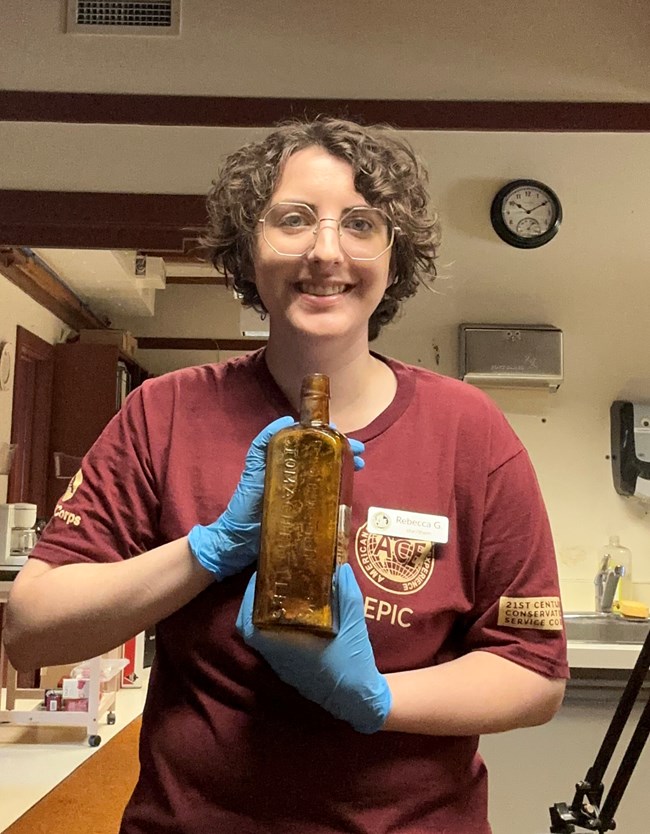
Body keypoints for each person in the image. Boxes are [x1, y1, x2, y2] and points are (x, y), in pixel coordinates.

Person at [5, 117, 568, 834]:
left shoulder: (471, 433)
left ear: (396, 257)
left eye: (361, 224)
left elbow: (535, 673)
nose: (326, 251)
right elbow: (31, 629)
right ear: (248, 246)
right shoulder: (164, 413)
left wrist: (378, 700)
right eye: (293, 219)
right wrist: (210, 549)